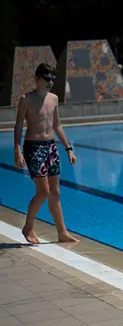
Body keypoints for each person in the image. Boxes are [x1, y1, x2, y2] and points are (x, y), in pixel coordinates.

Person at [13, 63, 79, 245]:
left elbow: (57, 125)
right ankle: (28, 227)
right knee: (43, 192)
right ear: (37, 78)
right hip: (33, 147)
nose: (50, 82)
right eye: (47, 79)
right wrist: (17, 150)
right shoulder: (25, 99)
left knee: (55, 192)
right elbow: (18, 125)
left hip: (51, 147)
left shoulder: (54, 99)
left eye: (53, 79)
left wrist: (68, 149)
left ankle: (62, 232)